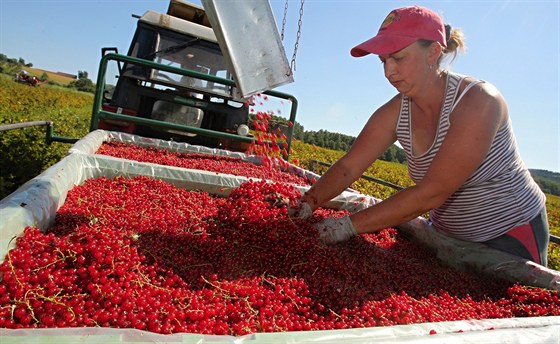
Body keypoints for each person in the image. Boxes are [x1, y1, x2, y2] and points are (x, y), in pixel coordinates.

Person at [293, 5, 549, 266]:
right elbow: (349, 166)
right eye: (383, 61)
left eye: (398, 58)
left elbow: (432, 193)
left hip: (508, 235)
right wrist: (308, 203)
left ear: (433, 52)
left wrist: (346, 226)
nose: (388, 72)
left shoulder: (479, 101)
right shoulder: (396, 111)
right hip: (446, 236)